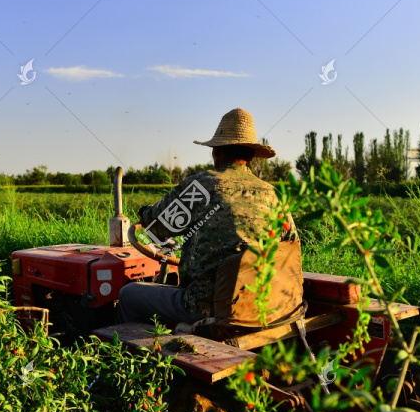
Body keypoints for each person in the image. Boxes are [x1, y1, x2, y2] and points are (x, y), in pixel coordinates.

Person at [118, 108, 302, 338]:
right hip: (265, 306)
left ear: (216, 152)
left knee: (128, 294)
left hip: (207, 308)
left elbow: (156, 228)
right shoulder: (273, 195)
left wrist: (145, 214)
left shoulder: (199, 187)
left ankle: (146, 363)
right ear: (252, 156)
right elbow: (290, 245)